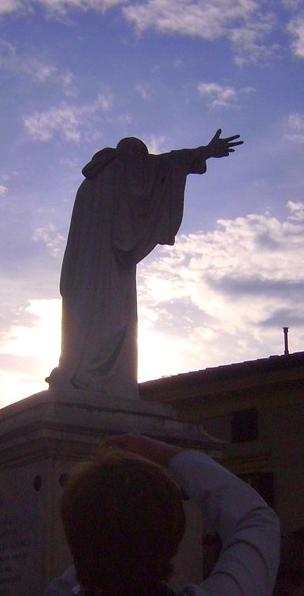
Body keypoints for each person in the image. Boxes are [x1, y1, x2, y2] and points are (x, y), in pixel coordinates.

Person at [8, 433, 280, 596]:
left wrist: (96, 536)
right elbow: (255, 520)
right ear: (174, 537)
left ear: (73, 539)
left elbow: (71, 578)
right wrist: (167, 454)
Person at [47, 130, 243, 400]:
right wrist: (206, 151)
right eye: (143, 157)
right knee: (113, 319)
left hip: (81, 271)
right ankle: (98, 379)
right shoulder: (123, 166)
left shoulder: (90, 182)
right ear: (136, 155)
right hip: (109, 268)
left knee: (79, 322)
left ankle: (74, 370)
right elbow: (169, 163)